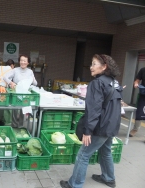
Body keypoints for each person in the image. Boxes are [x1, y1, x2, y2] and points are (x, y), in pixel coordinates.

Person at [60, 54, 123, 188]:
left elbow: (93, 109)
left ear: (104, 66)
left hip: (100, 126)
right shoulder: (114, 82)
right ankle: (109, 178)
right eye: (91, 64)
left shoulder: (97, 83)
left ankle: (75, 184)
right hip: (111, 126)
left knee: (83, 155)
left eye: (94, 64)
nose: (91, 67)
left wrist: (88, 131)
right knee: (105, 151)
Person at [3, 54, 37, 127]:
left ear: (28, 63)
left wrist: (32, 79)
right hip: (16, 94)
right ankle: (14, 127)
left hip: (26, 95)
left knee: (23, 111)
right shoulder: (15, 70)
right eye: (21, 60)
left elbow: (35, 83)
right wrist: (11, 82)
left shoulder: (30, 71)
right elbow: (5, 77)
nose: (23, 62)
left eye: (25, 61)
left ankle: (21, 127)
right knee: (15, 111)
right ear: (19, 61)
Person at [0, 59, 15, 125]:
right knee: (3, 104)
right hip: (2, 87)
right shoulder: (11, 70)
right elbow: (9, 81)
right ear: (12, 65)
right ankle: (4, 122)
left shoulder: (0, 67)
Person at [129, 67, 145, 137]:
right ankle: (135, 129)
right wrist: (136, 83)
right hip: (143, 94)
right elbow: (137, 80)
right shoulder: (143, 69)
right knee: (139, 112)